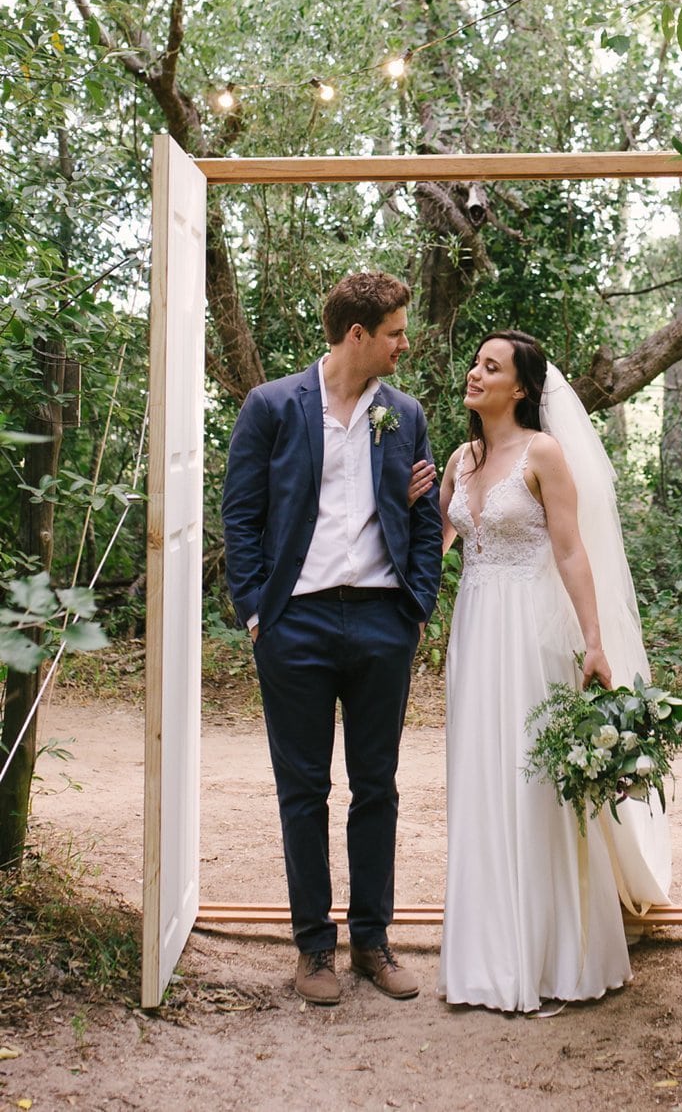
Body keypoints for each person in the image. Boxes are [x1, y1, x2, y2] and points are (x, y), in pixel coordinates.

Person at [222, 272, 442, 1006]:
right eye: (395, 333)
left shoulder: (404, 414)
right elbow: (241, 517)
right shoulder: (273, 407)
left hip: (383, 621)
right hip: (297, 623)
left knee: (376, 786)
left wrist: (415, 609)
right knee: (304, 789)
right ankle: (313, 948)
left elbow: (424, 515)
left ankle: (373, 943)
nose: (404, 344)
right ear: (358, 335)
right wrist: (258, 613)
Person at [436, 330, 671, 1014]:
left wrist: (595, 641)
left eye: (491, 366)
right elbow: (438, 542)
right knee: (479, 777)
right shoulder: (461, 457)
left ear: (521, 389)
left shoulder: (543, 454)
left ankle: (553, 956)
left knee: (534, 782)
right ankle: (484, 954)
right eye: (476, 362)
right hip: (476, 633)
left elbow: (570, 552)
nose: (475, 373)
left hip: (533, 634)